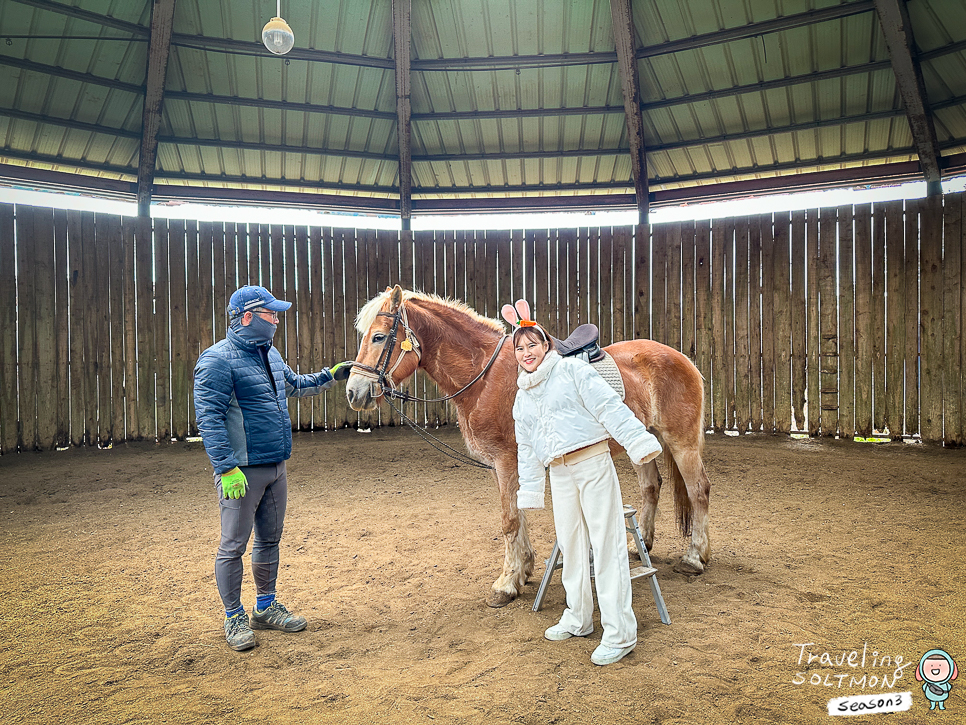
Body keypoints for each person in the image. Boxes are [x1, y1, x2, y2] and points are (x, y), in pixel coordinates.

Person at [193, 284, 354, 651]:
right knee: (233, 545)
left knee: (269, 540)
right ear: (247, 317)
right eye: (271, 314)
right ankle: (234, 617)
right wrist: (226, 467)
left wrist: (331, 374)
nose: (277, 319)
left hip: (276, 465)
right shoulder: (216, 360)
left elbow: (295, 385)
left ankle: (265, 608)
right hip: (242, 473)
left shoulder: (270, 354)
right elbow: (209, 419)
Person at [508, 302, 662, 666]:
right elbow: (527, 447)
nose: (527, 353)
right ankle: (578, 617)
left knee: (606, 546)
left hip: (591, 462)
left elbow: (610, 406)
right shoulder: (522, 396)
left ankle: (620, 632)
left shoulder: (573, 371)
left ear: (546, 345)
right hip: (559, 472)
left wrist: (637, 441)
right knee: (571, 546)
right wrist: (531, 488)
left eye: (532, 345)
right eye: (520, 347)